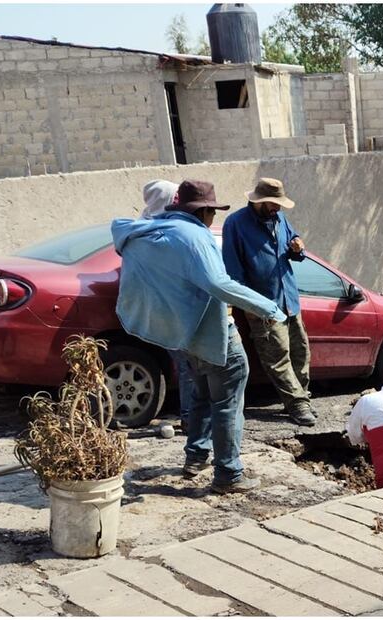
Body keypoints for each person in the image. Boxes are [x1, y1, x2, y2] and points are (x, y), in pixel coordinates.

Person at [113, 179, 288, 494]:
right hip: (213, 334)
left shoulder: (149, 230)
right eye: (212, 212)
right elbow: (218, 284)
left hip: (181, 335)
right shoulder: (195, 236)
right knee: (227, 400)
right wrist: (269, 308)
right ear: (205, 210)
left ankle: (196, 457)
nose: (213, 218)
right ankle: (229, 474)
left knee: (202, 395)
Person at [222, 178, 316, 427]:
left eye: (280, 203)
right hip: (264, 304)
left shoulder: (279, 218)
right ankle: (297, 405)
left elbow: (293, 245)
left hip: (289, 300)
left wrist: (298, 248)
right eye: (274, 203)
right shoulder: (236, 224)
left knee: (301, 352)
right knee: (277, 356)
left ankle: (303, 397)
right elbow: (233, 270)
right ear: (259, 201)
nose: (278, 208)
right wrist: (250, 305)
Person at [139, 180, 194, 430]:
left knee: (187, 364)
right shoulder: (161, 231)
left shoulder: (142, 227)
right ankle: (192, 419)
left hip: (156, 307)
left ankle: (192, 416)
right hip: (169, 308)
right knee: (188, 365)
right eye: (175, 198)